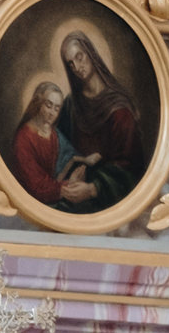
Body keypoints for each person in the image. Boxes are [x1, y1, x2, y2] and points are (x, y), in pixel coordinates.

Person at [58, 31, 150, 210]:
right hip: (72, 189)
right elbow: (59, 147)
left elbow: (131, 167)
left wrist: (94, 188)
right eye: (71, 64)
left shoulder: (119, 109)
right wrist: (73, 169)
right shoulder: (71, 105)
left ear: (90, 53)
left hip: (108, 200)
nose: (77, 67)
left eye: (79, 57)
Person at [9, 82, 99, 209]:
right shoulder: (23, 139)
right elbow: (36, 185)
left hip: (55, 193)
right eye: (48, 105)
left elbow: (70, 155)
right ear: (38, 103)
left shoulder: (54, 133)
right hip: (33, 204)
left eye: (57, 108)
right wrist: (68, 185)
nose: (52, 113)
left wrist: (85, 160)